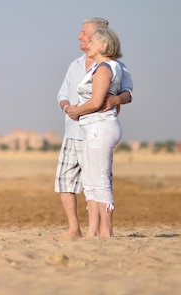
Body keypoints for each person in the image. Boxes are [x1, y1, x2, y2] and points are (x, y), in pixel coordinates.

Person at [55, 18, 132, 238]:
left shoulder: (110, 67)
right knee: (80, 181)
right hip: (79, 130)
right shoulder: (76, 65)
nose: (80, 37)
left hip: (97, 127)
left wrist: (113, 101)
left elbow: (118, 96)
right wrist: (69, 108)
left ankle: (103, 231)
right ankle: (83, 230)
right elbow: (63, 94)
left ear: (100, 39)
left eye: (84, 33)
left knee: (99, 180)